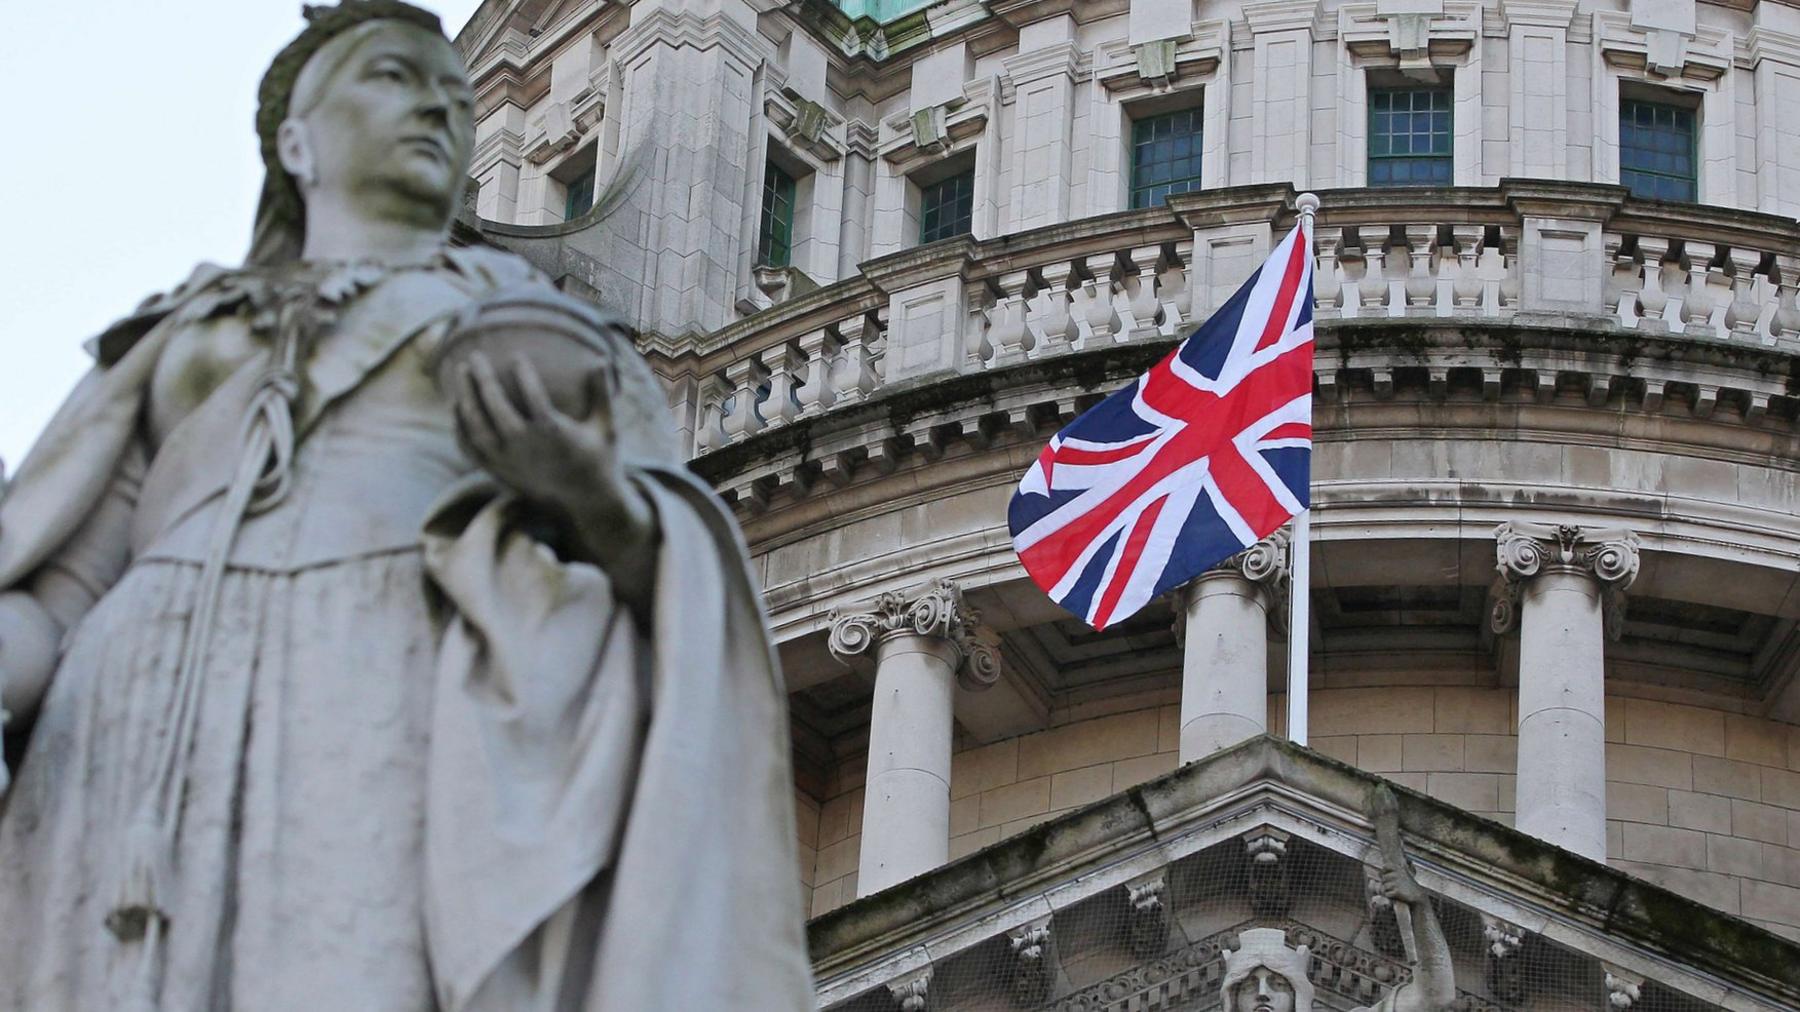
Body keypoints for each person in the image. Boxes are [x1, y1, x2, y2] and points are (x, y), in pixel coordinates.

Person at [0, 2, 814, 1008]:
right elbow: (58, 592)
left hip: (386, 681)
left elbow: (677, 566)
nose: (433, 106)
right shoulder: (177, 335)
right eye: (393, 77)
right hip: (134, 714)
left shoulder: (547, 330)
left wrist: (589, 497)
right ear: (295, 139)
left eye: (450, 92)